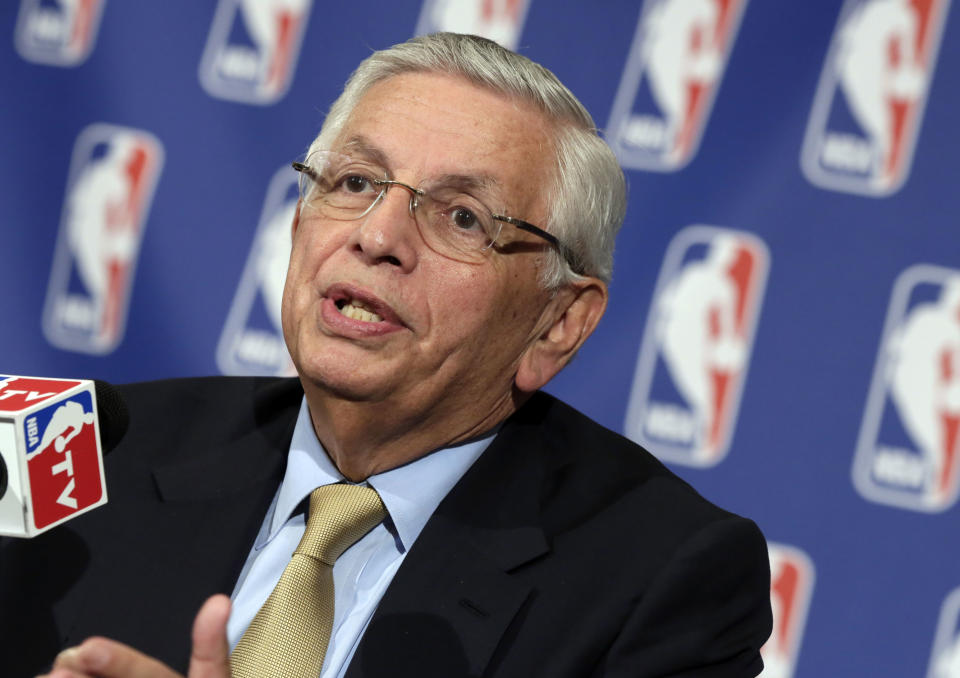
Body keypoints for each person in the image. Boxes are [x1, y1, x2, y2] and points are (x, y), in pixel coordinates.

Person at [3, 32, 771, 678]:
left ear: (556, 324)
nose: (376, 236)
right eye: (356, 180)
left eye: (463, 218)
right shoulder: (93, 450)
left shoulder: (659, 583)